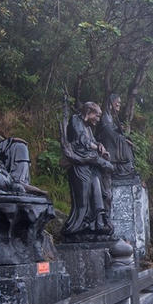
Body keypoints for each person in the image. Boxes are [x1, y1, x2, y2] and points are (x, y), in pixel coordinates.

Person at [60, 101, 114, 240]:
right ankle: (78, 227)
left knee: (97, 191)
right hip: (79, 165)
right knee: (83, 198)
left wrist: (100, 145)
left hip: (91, 165)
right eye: (97, 115)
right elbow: (81, 141)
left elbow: (92, 141)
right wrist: (96, 148)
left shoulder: (88, 127)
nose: (98, 119)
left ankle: (96, 223)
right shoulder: (76, 120)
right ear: (89, 112)